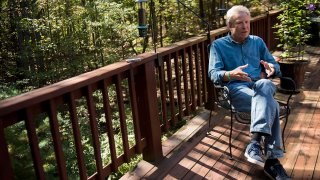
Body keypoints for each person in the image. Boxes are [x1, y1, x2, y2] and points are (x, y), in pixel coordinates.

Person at [208, 5, 291, 180]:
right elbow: (213, 74)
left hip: (259, 86)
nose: (245, 26)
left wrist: (272, 69)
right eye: (240, 23)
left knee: (265, 84)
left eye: (247, 22)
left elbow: (273, 65)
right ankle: (273, 162)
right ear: (230, 25)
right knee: (273, 105)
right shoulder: (218, 45)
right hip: (236, 88)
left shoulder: (257, 42)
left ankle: (254, 144)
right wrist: (231, 74)